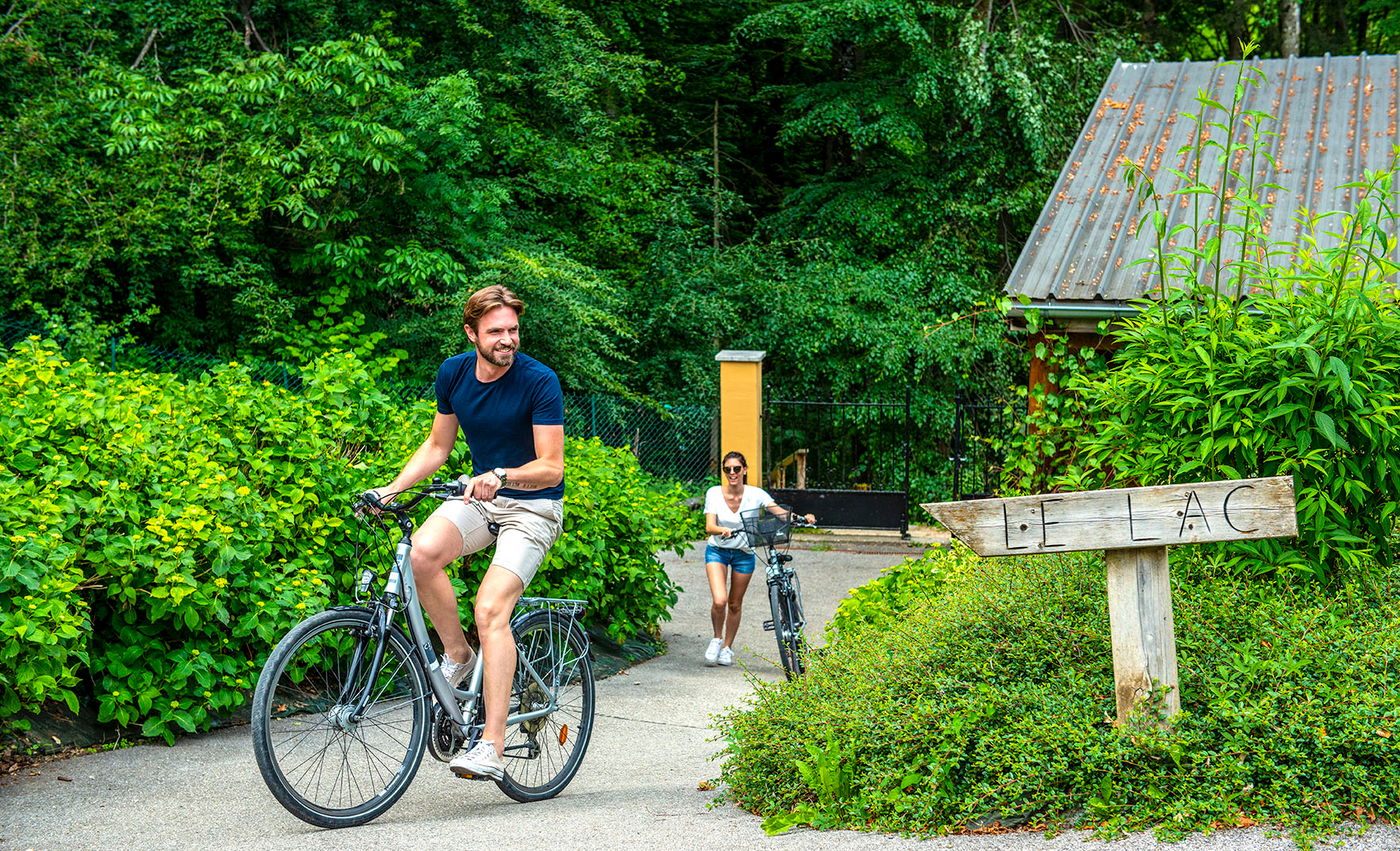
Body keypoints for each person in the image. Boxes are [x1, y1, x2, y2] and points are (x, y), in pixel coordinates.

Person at [367, 284, 565, 782]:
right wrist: (391, 489)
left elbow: (551, 468)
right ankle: (459, 657)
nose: (507, 340)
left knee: (490, 608)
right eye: (496, 331)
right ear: (471, 331)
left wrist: (501, 475)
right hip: (479, 497)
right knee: (418, 555)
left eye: (513, 330)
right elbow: (438, 445)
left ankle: (491, 746)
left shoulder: (539, 381)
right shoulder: (453, 373)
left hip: (532, 507)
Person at [702, 451, 814, 667]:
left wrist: (802, 519)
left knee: (735, 604)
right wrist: (722, 530)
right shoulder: (714, 493)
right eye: (727, 469)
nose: (732, 473)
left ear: (744, 470)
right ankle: (716, 639)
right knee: (720, 600)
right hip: (718, 550)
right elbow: (709, 526)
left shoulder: (756, 494)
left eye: (736, 469)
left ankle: (727, 648)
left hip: (744, 554)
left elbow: (780, 513)